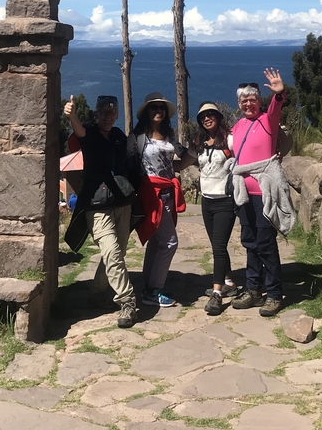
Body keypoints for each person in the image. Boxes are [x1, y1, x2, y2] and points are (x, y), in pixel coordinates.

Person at [63, 94, 138, 329]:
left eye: (112, 112)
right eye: (104, 111)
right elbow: (79, 132)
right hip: (97, 207)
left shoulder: (118, 136)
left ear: (117, 115)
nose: (108, 116)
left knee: (117, 253)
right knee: (112, 252)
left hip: (121, 204)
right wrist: (72, 115)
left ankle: (96, 294)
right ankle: (127, 301)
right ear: (96, 113)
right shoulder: (91, 133)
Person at [228, 69, 296, 316]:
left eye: (252, 99)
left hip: (264, 194)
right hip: (244, 195)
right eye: (244, 100)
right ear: (239, 103)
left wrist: (279, 93)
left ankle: (275, 294)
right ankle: (254, 289)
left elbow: (277, 107)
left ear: (260, 101)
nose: (248, 103)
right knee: (250, 243)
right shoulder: (237, 126)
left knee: (266, 244)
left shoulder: (268, 121)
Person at [127, 91, 196, 308]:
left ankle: (149, 286)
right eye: (154, 107)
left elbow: (183, 157)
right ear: (147, 112)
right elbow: (129, 165)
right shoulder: (137, 137)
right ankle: (154, 290)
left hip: (167, 193)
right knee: (170, 242)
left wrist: (197, 147)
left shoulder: (169, 135)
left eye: (162, 108)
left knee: (157, 242)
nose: (158, 111)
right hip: (148, 194)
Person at [192, 101, 239, 316]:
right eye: (203, 116)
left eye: (210, 114)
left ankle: (217, 294)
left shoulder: (229, 139)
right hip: (207, 201)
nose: (206, 118)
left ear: (218, 116)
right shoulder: (199, 142)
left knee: (218, 247)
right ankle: (228, 282)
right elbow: (186, 161)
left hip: (225, 201)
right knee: (216, 244)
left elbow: (245, 157)